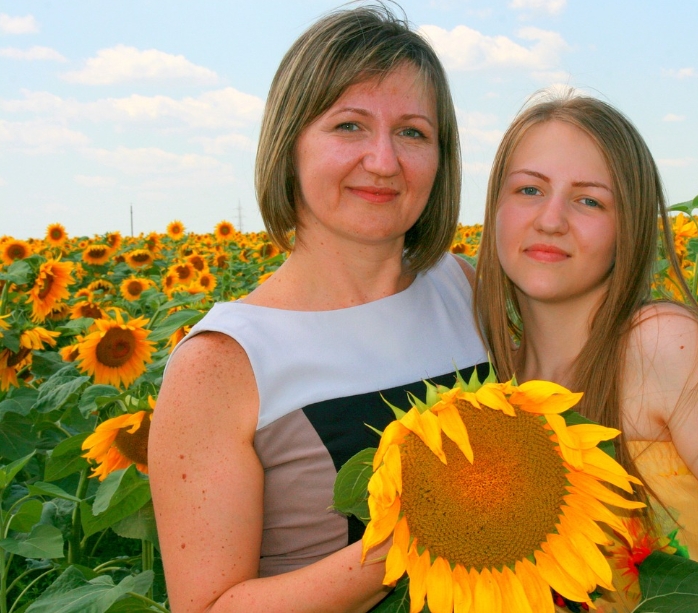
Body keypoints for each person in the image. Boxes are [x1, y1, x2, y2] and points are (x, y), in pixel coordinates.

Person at [148, 6, 487, 612]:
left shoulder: (462, 286)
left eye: (413, 132)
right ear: (290, 144)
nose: (384, 161)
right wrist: (412, 536)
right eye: (349, 126)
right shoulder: (223, 361)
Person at [474, 93, 698, 613]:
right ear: (495, 208)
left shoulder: (662, 347)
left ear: (630, 227)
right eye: (529, 189)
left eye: (589, 200)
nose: (550, 219)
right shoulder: (494, 385)